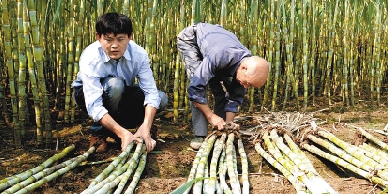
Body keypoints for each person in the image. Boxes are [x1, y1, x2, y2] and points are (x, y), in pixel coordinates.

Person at [72, 13, 167, 153]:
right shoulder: (90, 57)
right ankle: (99, 133)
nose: (114, 46)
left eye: (121, 39)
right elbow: (94, 104)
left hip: (121, 93)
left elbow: (151, 93)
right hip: (85, 94)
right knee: (115, 85)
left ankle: (139, 131)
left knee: (161, 98)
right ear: (98, 37)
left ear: (130, 37)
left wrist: (146, 126)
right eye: (108, 40)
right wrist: (122, 133)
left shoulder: (139, 54)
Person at [177, 22, 269, 150]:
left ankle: (220, 129)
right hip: (192, 40)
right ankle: (200, 134)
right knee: (198, 81)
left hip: (214, 49)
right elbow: (195, 89)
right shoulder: (221, 55)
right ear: (243, 68)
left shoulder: (245, 63)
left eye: (251, 85)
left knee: (222, 90)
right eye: (248, 83)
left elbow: (235, 95)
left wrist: (229, 123)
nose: (247, 87)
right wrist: (211, 116)